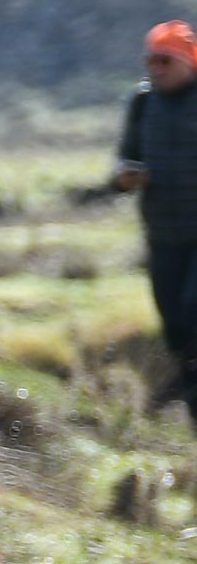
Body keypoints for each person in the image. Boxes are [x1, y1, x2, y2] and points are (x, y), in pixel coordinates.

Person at [121, 21, 197, 412]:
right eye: (151, 60)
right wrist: (125, 178)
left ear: (188, 60)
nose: (156, 68)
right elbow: (125, 160)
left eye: (165, 60)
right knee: (174, 326)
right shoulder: (142, 101)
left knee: (193, 310)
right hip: (163, 234)